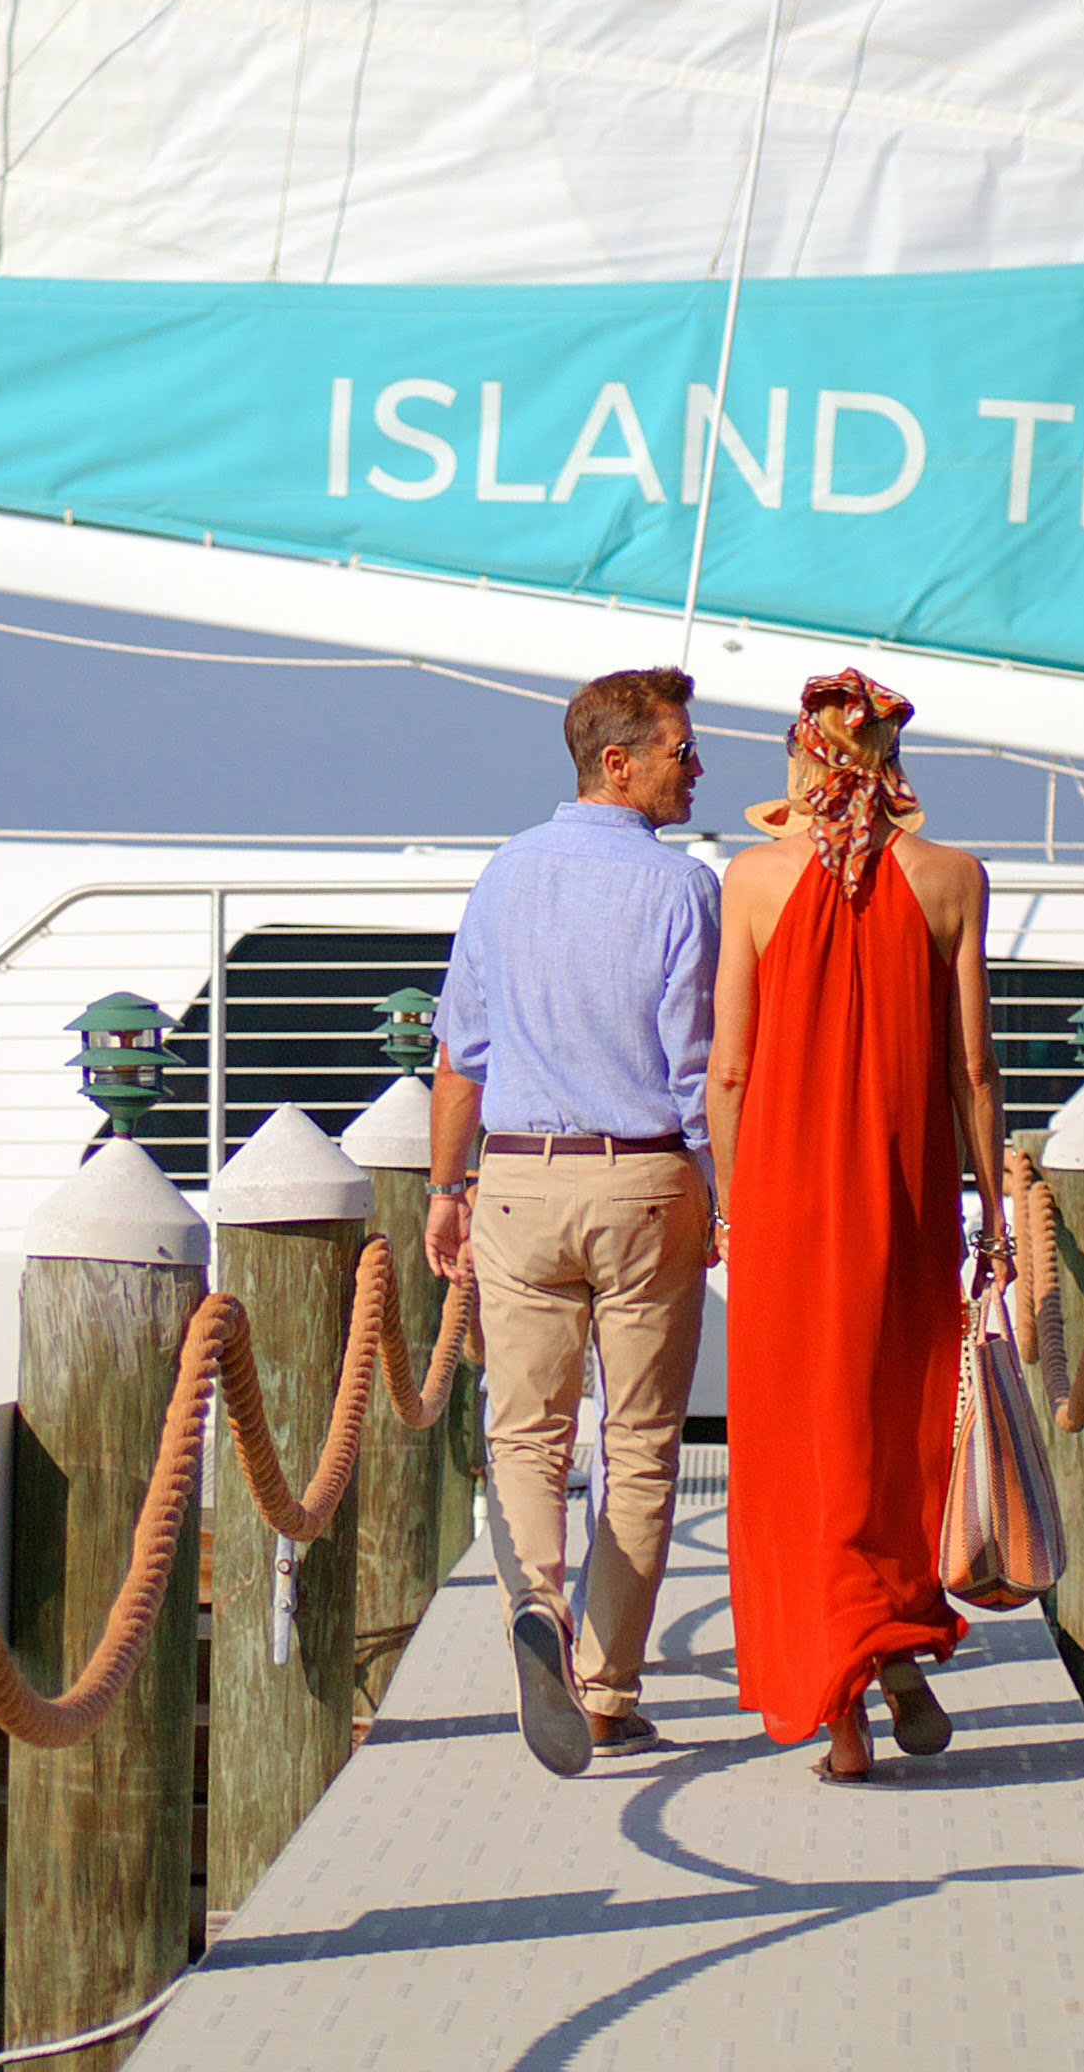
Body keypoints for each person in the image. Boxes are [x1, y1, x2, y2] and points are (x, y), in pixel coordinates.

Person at [709, 669, 1015, 1782]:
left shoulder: (749, 880)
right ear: (891, 760)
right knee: (893, 1426)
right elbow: (972, 1067)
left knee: (798, 1438)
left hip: (785, 1201)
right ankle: (888, 1642)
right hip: (903, 1191)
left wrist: (734, 1209)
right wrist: (992, 1209)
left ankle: (840, 1697)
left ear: (804, 757)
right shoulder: (951, 879)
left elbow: (731, 1067)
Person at [427, 666, 718, 1776]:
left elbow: (463, 1055)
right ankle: (602, 1692)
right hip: (642, 1180)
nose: (697, 769)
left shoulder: (504, 875)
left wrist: (445, 1190)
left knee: (525, 1430)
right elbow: (698, 1074)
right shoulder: (684, 892)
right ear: (620, 760)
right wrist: (719, 1194)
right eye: (682, 750)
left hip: (516, 1177)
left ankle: (534, 1603)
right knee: (639, 1443)